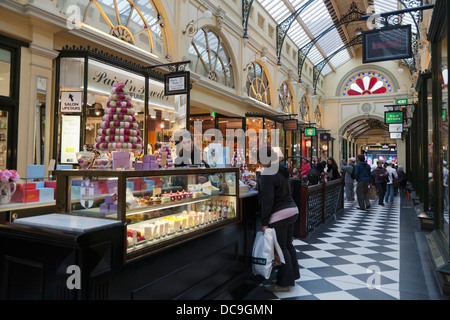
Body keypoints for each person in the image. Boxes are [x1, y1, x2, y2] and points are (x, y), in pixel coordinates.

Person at [253, 146, 300, 293]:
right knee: (287, 245)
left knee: (281, 249)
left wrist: (265, 223)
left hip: (280, 214)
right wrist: (258, 185)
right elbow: (278, 188)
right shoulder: (280, 169)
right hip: (292, 210)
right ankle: (292, 276)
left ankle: (283, 283)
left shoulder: (267, 174)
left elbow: (267, 201)